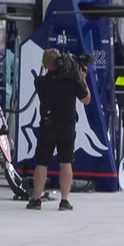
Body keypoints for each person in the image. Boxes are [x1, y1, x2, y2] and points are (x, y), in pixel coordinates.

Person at [27, 48, 91, 210]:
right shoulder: (72, 81)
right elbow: (86, 99)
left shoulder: (41, 82)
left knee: (41, 163)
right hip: (66, 126)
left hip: (48, 125)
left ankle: (36, 199)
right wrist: (82, 78)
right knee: (66, 162)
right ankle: (64, 200)